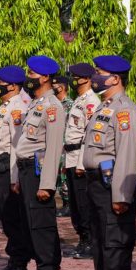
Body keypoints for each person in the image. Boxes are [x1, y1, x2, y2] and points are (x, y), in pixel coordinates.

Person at [82, 55, 136, 270]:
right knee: (99, 242)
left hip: (111, 186)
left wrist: (121, 195)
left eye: (99, 72)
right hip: (95, 184)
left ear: (115, 78)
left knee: (114, 244)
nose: (95, 76)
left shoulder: (125, 109)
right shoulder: (103, 106)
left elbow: (127, 154)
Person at [13, 55, 64, 270]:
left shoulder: (53, 106)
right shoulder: (36, 104)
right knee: (30, 225)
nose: (28, 78)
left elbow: (53, 148)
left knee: (42, 226)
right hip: (25, 171)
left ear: (44, 77)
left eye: (31, 74)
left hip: (38, 172)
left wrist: (47, 184)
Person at [0, 66, 34, 270]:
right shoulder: (5, 106)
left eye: (1, 82)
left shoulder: (17, 109)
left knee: (13, 219)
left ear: (13, 85)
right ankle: (15, 261)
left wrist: (15, 178)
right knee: (6, 218)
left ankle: (19, 265)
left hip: (8, 167)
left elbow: (17, 145)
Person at [62, 63, 101, 260]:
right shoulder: (79, 100)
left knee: (84, 204)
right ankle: (82, 239)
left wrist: (80, 163)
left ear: (86, 79)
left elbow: (89, 135)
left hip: (80, 158)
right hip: (70, 156)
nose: (72, 79)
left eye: (75, 76)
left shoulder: (91, 102)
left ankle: (89, 242)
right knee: (76, 204)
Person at [52, 75, 73, 217]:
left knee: (64, 175)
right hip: (55, 145)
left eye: (56, 85)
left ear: (63, 86)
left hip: (66, 146)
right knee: (58, 176)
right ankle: (64, 202)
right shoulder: (53, 104)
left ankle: (68, 204)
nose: (53, 88)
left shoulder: (70, 104)